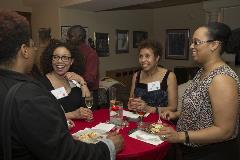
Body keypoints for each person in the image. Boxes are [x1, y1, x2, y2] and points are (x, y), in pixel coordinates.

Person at [0, 10, 123, 160]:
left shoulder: (12, 85)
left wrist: (82, 84)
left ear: (72, 61)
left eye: (65, 58)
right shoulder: (31, 94)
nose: (36, 49)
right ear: (24, 51)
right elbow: (63, 153)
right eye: (33, 45)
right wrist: (108, 146)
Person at [159, 22, 239, 160]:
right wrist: (176, 114)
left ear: (214, 45)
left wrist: (180, 136)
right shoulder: (203, 71)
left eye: (196, 42)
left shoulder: (222, 79)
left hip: (211, 153)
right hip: (191, 148)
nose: (191, 46)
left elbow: (225, 130)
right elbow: (201, 109)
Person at [40, 39, 93, 120]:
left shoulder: (74, 80)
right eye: (55, 57)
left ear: (71, 61)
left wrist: (82, 81)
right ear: (51, 60)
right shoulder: (42, 84)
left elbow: (88, 107)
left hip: (81, 131)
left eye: (65, 57)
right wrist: (73, 115)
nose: (59, 61)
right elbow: (43, 116)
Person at [128, 40, 178, 114]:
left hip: (160, 121)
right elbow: (131, 99)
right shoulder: (136, 75)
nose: (143, 60)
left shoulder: (169, 76)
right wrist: (131, 105)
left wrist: (149, 109)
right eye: (141, 56)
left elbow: (173, 107)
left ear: (157, 58)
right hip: (139, 118)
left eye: (147, 56)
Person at [67, 25, 99, 109]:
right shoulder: (70, 51)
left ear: (80, 37)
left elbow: (90, 78)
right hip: (74, 93)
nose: (68, 38)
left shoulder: (90, 53)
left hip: (88, 94)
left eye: (71, 36)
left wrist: (74, 78)